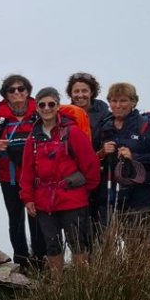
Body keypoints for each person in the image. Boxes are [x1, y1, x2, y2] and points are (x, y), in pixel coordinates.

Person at [20, 87, 101, 273]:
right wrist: (28, 198)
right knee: (52, 245)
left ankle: (81, 284)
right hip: (44, 201)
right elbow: (27, 172)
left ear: (58, 106)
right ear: (37, 108)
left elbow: (91, 164)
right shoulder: (33, 138)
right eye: (42, 105)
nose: (46, 108)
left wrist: (84, 190)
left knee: (77, 243)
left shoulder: (72, 132)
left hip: (73, 199)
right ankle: (58, 285)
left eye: (51, 104)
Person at [0, 74, 43, 269]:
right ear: (5, 94)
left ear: (28, 91)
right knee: (16, 220)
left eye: (21, 89)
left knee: (37, 218)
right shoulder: (0, 117)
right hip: (9, 177)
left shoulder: (40, 112)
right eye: (11, 90)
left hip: (37, 177)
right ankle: (21, 262)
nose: (17, 93)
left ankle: (40, 261)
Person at [96, 82, 150, 247]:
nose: (118, 105)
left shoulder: (147, 124)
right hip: (115, 194)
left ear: (134, 102)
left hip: (144, 193)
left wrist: (134, 156)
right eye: (114, 101)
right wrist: (102, 153)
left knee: (140, 241)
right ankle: (141, 266)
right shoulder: (104, 127)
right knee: (127, 241)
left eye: (123, 101)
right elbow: (92, 157)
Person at [66, 72, 110, 240]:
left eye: (84, 91)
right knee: (78, 220)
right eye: (76, 91)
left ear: (92, 92)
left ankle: (103, 254)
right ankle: (84, 254)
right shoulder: (65, 115)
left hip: (101, 172)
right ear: (70, 93)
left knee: (101, 220)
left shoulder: (105, 114)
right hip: (75, 173)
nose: (80, 95)